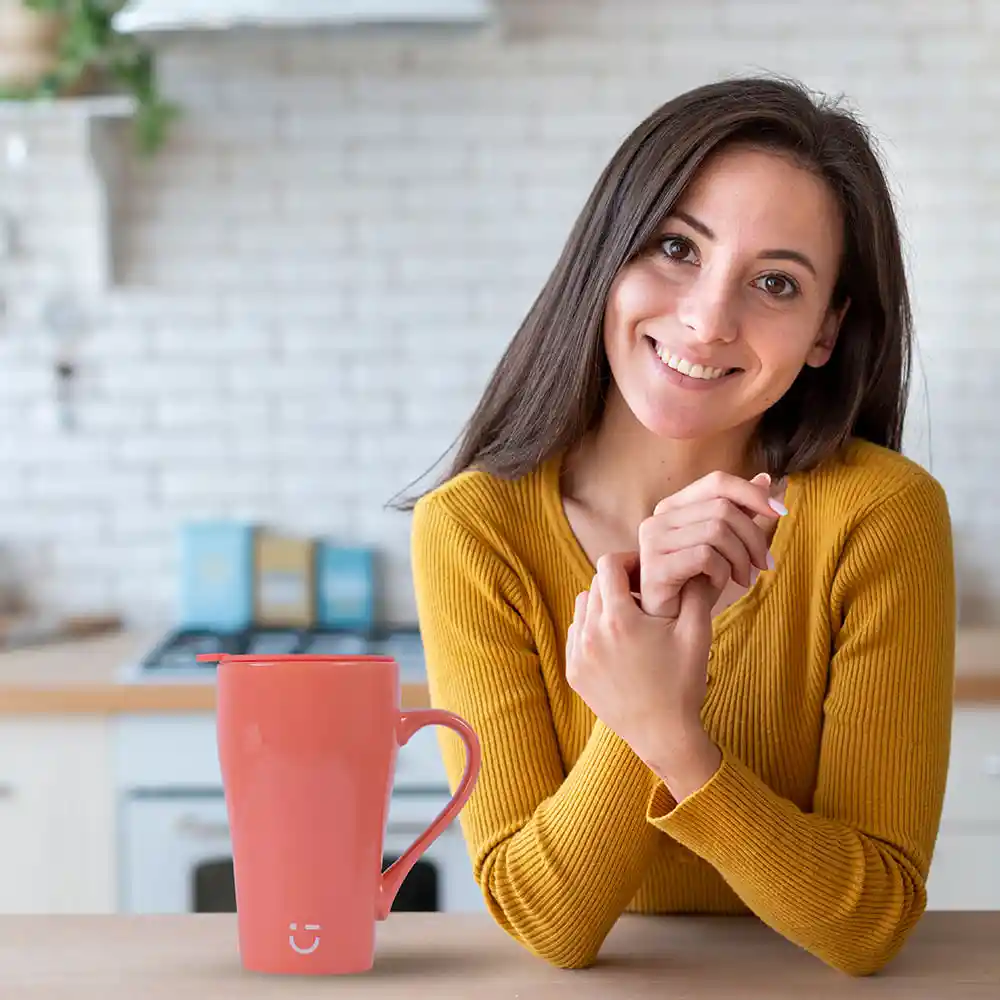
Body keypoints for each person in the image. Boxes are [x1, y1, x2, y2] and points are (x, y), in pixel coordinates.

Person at [402, 76, 955, 977]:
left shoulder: (881, 519)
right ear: (608, 258)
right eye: (675, 248)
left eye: (776, 282)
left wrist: (670, 733)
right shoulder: (475, 529)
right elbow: (546, 923)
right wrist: (645, 664)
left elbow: (872, 923)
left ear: (827, 330)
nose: (707, 319)